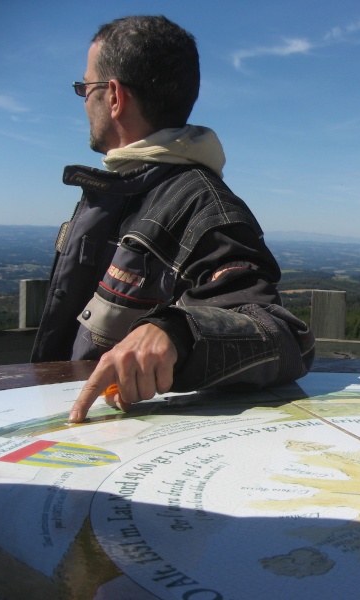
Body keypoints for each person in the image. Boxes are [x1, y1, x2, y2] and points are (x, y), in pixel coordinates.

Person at [31, 15, 315, 423]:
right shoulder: (125, 191)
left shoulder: (202, 206)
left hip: (123, 448)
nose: (82, 100)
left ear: (113, 96)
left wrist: (176, 333)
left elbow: (281, 336)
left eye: (85, 88)